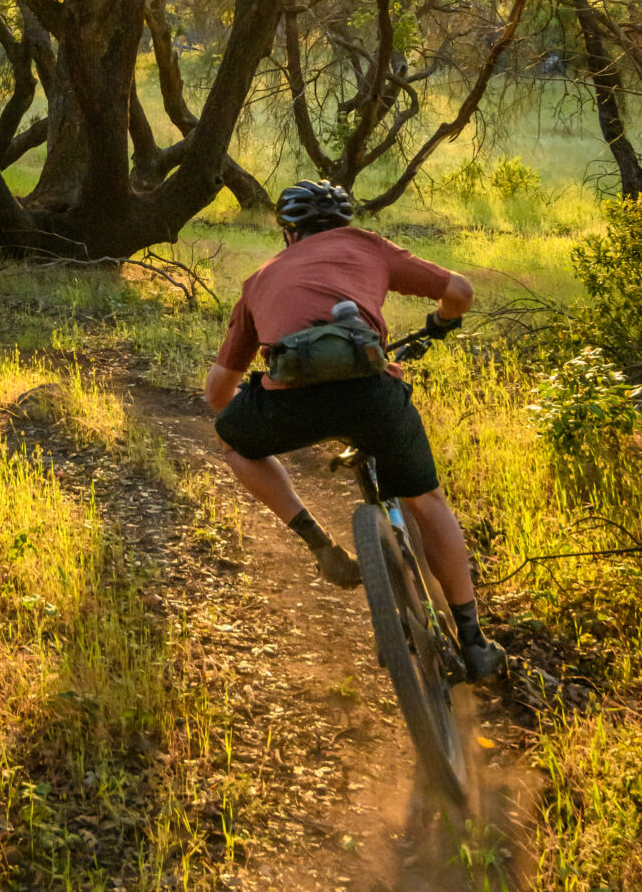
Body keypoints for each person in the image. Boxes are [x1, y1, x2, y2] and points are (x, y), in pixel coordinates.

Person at [203, 179, 506, 682]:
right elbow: (461, 292)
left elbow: (217, 395)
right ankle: (474, 641)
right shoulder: (367, 245)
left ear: (287, 233)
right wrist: (441, 322)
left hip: (288, 401)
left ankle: (319, 542)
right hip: (372, 394)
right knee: (425, 501)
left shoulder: (259, 280)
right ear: (344, 223)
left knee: (233, 442)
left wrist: (261, 405)